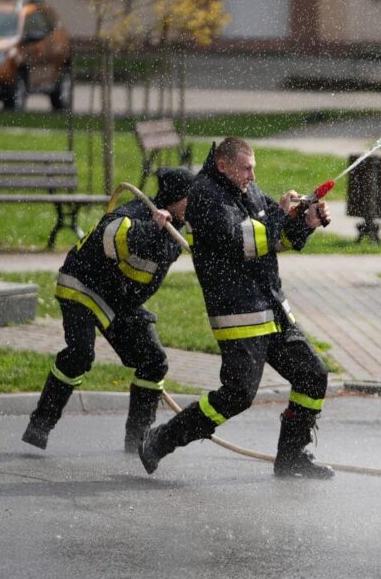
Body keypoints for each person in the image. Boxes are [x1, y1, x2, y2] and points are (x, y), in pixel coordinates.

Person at [139, 137, 334, 479]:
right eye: (246, 168)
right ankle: (161, 439)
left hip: (271, 308)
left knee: (312, 374)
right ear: (223, 165)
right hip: (239, 313)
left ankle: (291, 458)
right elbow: (240, 240)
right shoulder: (204, 196)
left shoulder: (249, 192)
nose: (252, 176)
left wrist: (305, 222)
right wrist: (284, 217)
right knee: (237, 395)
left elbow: (277, 240)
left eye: (253, 168)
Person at [22, 168, 193, 453]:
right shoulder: (138, 211)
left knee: (153, 361)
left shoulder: (179, 229)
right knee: (80, 354)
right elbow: (110, 237)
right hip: (83, 286)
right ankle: (40, 423)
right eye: (192, 198)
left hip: (120, 301)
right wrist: (152, 227)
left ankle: (137, 442)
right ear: (175, 199)